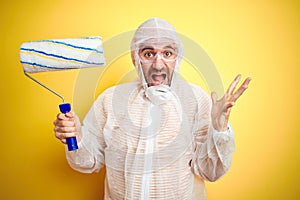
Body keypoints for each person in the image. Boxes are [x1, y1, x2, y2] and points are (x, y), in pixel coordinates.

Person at [53, 18, 251, 200]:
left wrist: (220, 130)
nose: (158, 64)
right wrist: (76, 137)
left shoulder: (196, 99)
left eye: (167, 53)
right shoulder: (110, 99)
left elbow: (210, 172)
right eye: (148, 53)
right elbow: (87, 162)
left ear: (177, 58)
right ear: (135, 58)